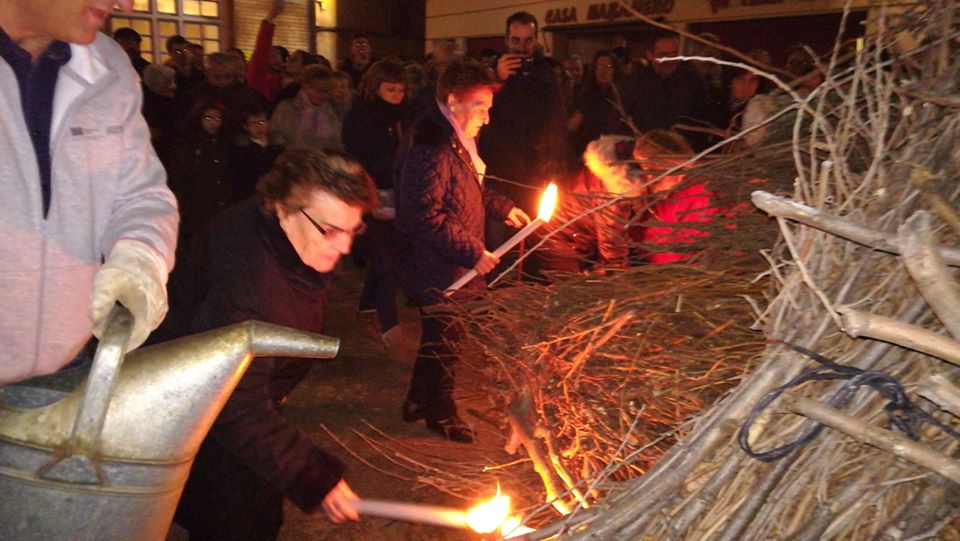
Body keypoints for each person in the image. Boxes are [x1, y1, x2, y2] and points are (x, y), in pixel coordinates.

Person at [151, 149, 376, 540]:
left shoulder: (284, 243)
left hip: (229, 406)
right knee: (238, 521)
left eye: (353, 230)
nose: (344, 248)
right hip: (185, 408)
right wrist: (312, 474)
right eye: (330, 230)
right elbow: (232, 399)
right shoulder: (248, 278)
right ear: (283, 207)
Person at [0, 0, 178, 384]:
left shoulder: (109, 65)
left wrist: (140, 257)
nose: (125, 4)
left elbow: (139, 194)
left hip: (72, 363)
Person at [395, 59, 531, 443]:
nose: (487, 119)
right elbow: (425, 215)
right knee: (447, 340)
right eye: (482, 107)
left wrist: (504, 208)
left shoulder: (456, 137)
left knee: (439, 335)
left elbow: (471, 189)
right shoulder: (432, 147)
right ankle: (441, 411)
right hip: (436, 264)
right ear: (454, 102)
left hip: (448, 263)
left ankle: (417, 401)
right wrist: (473, 251)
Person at [342, 60, 407, 347]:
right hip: (372, 192)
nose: (396, 95)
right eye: (390, 89)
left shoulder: (401, 116)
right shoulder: (362, 117)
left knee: (389, 253)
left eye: (400, 90)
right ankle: (388, 321)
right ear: (374, 87)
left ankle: (368, 303)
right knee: (384, 257)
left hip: (396, 190)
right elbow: (362, 155)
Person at [534, 135, 647, 273]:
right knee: (568, 286)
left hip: (578, 238)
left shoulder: (619, 169)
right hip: (559, 240)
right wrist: (619, 273)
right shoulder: (612, 192)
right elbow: (612, 242)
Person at [621, 31, 710, 150]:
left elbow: (704, 118)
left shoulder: (692, 80)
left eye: (674, 53)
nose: (670, 60)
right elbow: (621, 119)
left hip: (684, 153)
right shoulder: (635, 82)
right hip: (645, 153)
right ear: (650, 54)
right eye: (663, 55)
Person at [566, 50, 632, 157]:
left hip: (617, 152)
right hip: (591, 152)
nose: (603, 71)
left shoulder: (622, 96)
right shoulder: (585, 97)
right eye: (599, 66)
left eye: (608, 66)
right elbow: (574, 126)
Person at [270, 64, 343, 152]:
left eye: (327, 91)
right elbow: (274, 135)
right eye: (319, 90)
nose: (323, 95)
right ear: (306, 87)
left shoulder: (330, 112)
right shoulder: (286, 108)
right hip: (292, 162)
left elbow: (336, 144)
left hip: (321, 163)